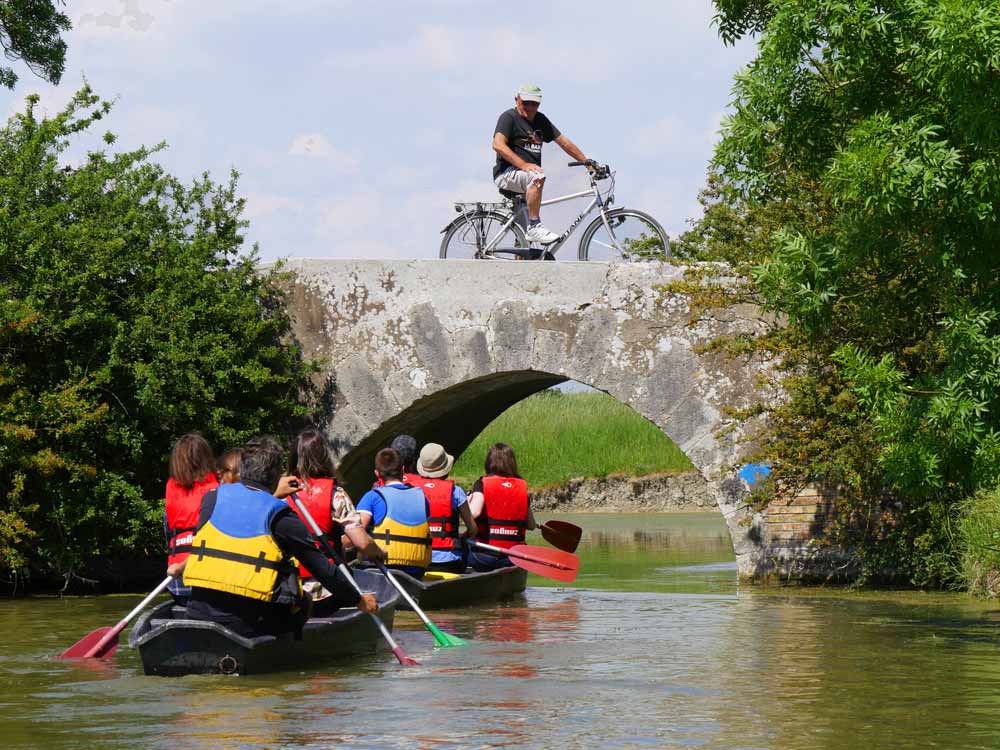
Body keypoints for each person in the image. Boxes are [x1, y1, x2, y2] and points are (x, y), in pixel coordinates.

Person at [175, 436, 379, 638]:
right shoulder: (282, 516)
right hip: (247, 624)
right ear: (275, 476)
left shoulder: (212, 498)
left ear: (243, 468)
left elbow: (209, 543)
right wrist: (358, 600)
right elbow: (323, 570)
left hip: (198, 613)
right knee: (304, 600)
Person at [284, 428, 383, 612]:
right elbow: (361, 542)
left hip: (288, 587)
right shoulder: (336, 495)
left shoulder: (281, 494)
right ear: (324, 457)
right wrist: (377, 552)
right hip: (327, 589)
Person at [492, 83, 591, 245]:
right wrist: (523, 165)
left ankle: (523, 258)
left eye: (534, 104)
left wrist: (587, 162)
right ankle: (534, 225)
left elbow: (564, 143)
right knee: (537, 177)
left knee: (524, 243)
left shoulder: (541, 120)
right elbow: (498, 144)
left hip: (525, 179)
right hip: (507, 174)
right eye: (526, 103)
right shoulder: (509, 118)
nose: (530, 108)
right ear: (517, 100)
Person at [356, 448, 432, 579]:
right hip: (416, 569)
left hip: (381, 567)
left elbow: (356, 532)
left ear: (377, 474)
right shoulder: (421, 497)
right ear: (403, 470)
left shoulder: (372, 496)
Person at [164, 433, 219, 605]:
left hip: (176, 582)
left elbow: (168, 533)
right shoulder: (217, 490)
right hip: (208, 580)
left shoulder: (171, 488)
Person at [408, 443, 478, 573]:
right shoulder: (456, 492)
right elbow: (473, 529)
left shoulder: (410, 490)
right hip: (449, 562)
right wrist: (461, 538)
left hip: (416, 560)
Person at [467, 442, 537, 572]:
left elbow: (474, 512)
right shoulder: (521, 486)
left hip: (483, 557)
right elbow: (531, 525)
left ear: (489, 462)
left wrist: (466, 504)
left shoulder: (481, 483)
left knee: (462, 544)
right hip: (513, 558)